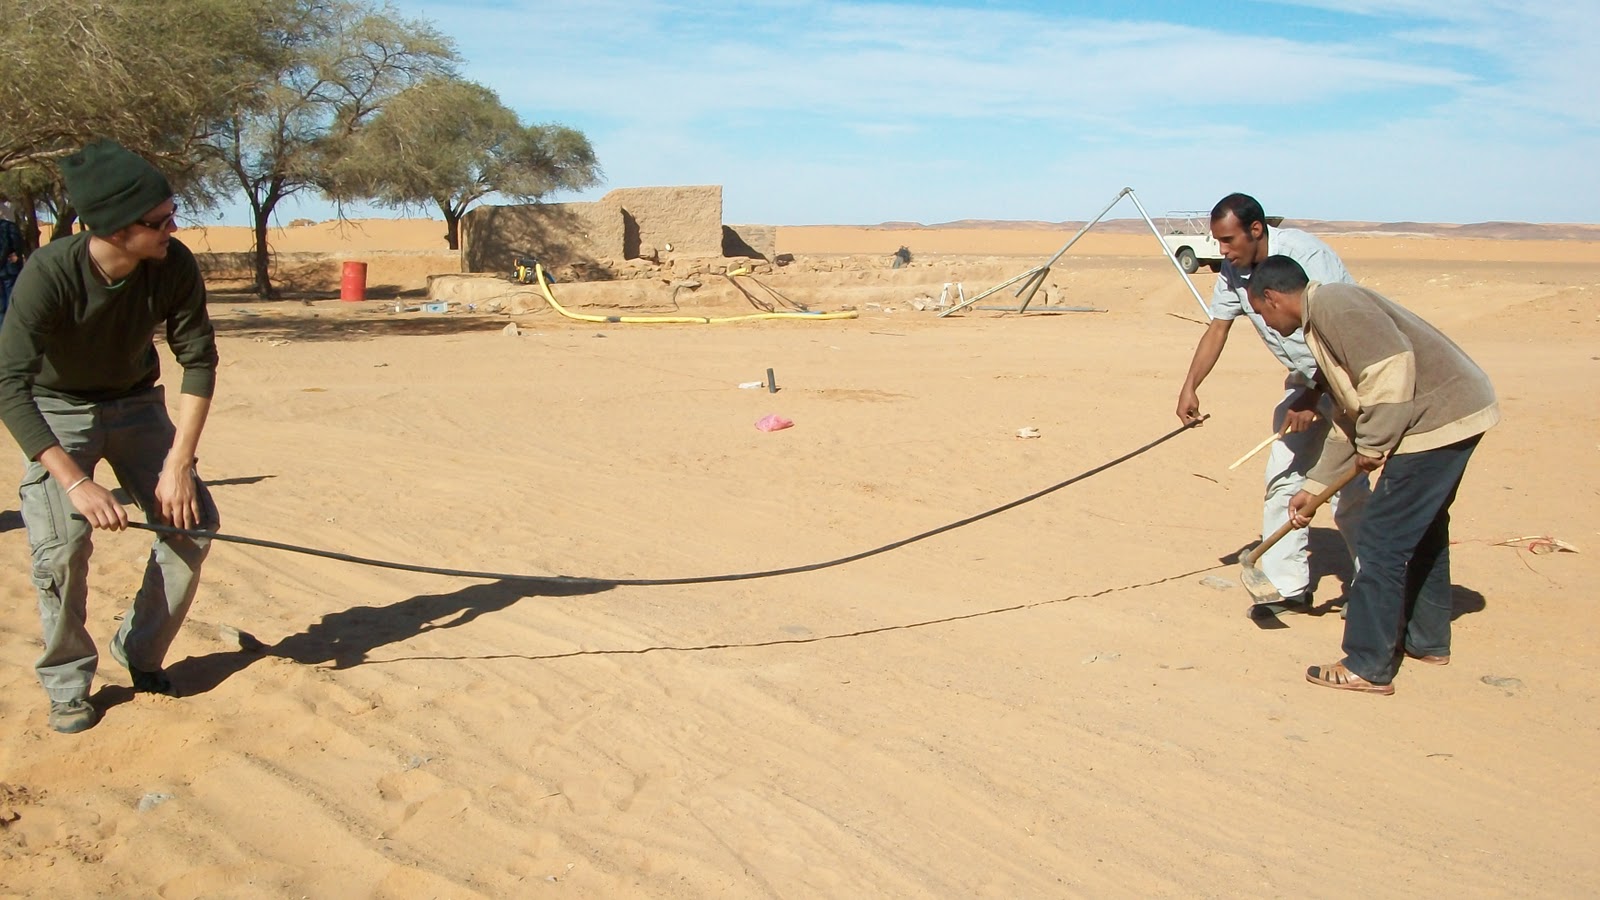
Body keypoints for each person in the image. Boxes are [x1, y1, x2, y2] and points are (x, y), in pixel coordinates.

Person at [0, 139, 220, 733]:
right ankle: (68, 682)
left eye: (173, 214)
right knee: (62, 549)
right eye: (160, 221)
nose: (173, 229)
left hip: (136, 406)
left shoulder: (173, 265)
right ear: (118, 228)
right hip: (58, 410)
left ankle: (140, 652)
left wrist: (179, 463)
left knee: (192, 524)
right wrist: (75, 483)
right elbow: (8, 384)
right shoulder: (49, 274)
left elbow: (198, 360)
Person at [1246, 256, 1498, 694]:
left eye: (1261, 312)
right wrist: (1314, 488)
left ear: (1272, 298)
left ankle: (1366, 664)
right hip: (1450, 415)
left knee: (1381, 539)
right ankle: (1427, 641)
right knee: (1424, 531)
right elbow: (1349, 415)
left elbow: (1390, 371)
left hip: (1437, 420)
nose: (1266, 324)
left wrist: (1374, 443)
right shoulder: (1320, 324)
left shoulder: (1335, 305)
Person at [1175, 193, 1369, 608]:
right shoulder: (1234, 270)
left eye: (1228, 240)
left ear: (1256, 230)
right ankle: (1287, 586)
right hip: (1305, 381)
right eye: (1218, 241)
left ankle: (1374, 589)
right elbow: (1218, 327)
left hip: (1348, 379)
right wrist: (1190, 385)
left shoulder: (1306, 256)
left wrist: (1315, 395)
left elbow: (1342, 331)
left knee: (1346, 493)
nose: (1222, 251)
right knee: (1283, 477)